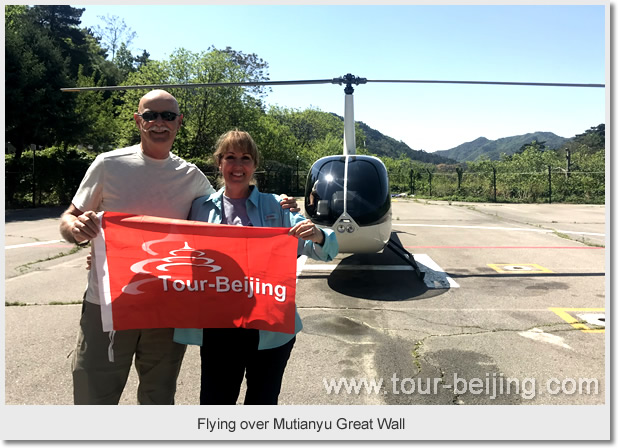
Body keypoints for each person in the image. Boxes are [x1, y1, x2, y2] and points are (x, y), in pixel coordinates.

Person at [59, 90, 298, 405]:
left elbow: (232, 199)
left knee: (158, 398)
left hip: (167, 306)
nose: (159, 123)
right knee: (94, 396)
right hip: (109, 303)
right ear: (138, 120)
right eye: (151, 115)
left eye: (168, 116)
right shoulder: (108, 164)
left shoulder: (192, 178)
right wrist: (75, 229)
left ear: (179, 122)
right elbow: (69, 218)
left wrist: (281, 204)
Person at [174, 130, 338, 405]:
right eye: (230, 157)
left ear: (255, 164)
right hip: (219, 328)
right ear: (219, 163)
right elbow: (170, 247)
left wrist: (318, 234)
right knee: (215, 403)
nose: (238, 166)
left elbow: (325, 250)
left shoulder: (277, 206)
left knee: (262, 403)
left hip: (270, 328)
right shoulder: (199, 208)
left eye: (245, 158)